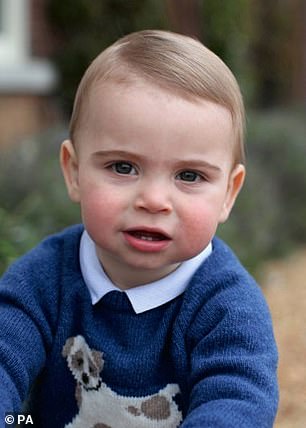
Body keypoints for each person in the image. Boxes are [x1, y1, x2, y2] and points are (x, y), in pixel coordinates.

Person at [0, 30, 278, 428]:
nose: (154, 200)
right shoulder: (42, 283)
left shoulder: (228, 309)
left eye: (189, 175)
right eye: (123, 167)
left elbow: (238, 404)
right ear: (74, 172)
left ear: (229, 194)